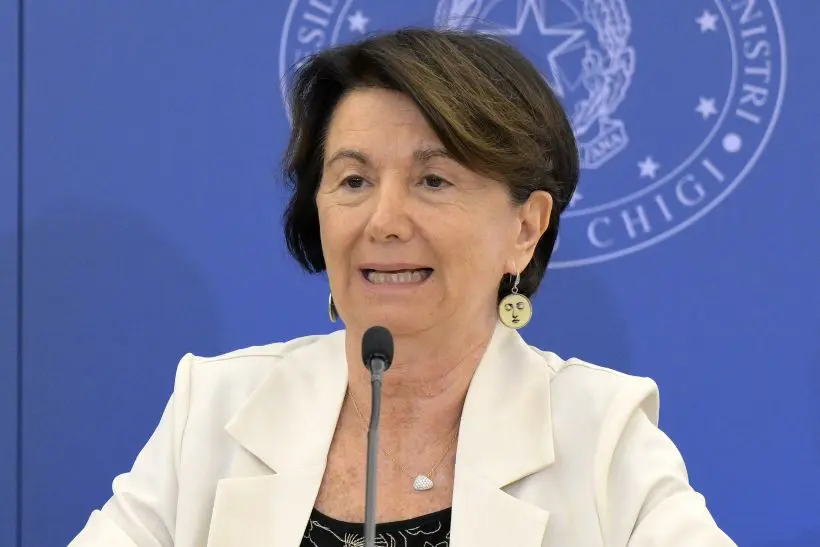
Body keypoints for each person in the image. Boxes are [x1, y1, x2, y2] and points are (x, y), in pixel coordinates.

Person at [70, 28, 736, 546]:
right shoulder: (214, 407)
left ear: (525, 228)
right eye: (354, 180)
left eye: (433, 180)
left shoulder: (602, 435)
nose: (384, 221)